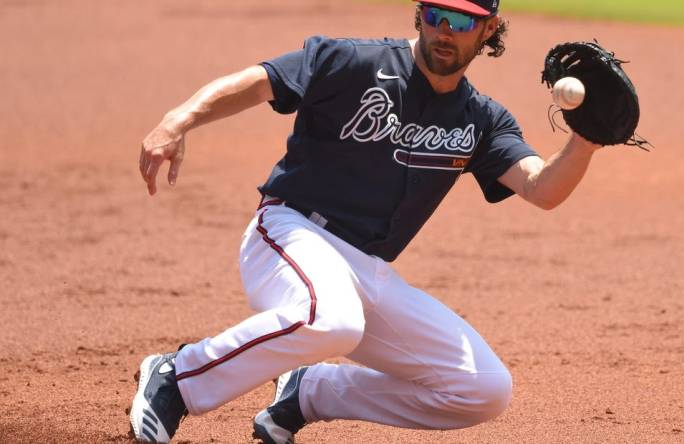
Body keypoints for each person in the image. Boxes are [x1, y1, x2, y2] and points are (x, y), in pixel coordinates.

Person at [129, 0, 605, 442]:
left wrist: (586, 140)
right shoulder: (353, 62)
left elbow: (542, 189)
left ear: (489, 30)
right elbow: (259, 80)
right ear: (419, 15)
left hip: (368, 271)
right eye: (436, 14)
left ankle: (310, 392)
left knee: (483, 388)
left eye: (461, 22)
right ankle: (179, 376)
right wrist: (179, 120)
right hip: (291, 231)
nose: (445, 30)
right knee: (333, 320)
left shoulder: (481, 119)